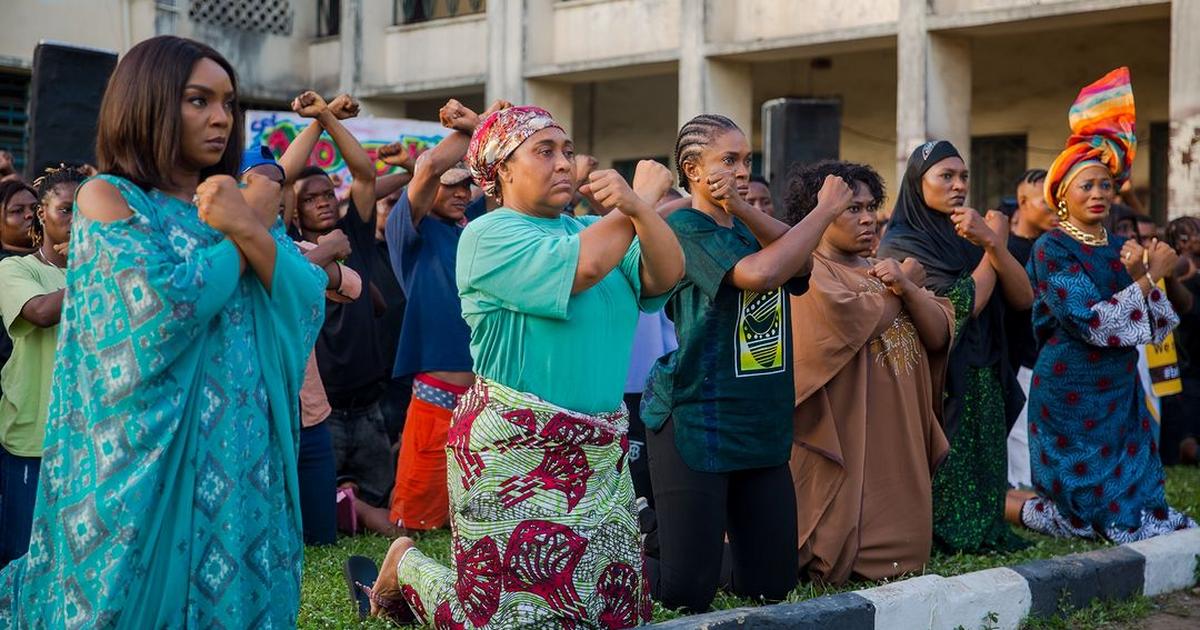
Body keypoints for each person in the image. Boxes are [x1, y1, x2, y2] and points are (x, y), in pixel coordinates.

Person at [0, 36, 326, 626]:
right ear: (147, 102)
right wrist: (243, 226)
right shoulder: (109, 198)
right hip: (149, 462)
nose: (221, 117)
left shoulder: (231, 198)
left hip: (243, 451)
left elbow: (304, 297)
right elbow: (166, 310)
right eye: (198, 100)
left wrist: (249, 225)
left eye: (228, 102)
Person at [363, 105, 684, 629]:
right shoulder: (489, 235)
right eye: (544, 151)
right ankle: (410, 567)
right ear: (502, 170)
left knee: (613, 610)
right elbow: (586, 266)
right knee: (509, 618)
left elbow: (664, 275)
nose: (564, 162)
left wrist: (640, 212)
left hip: (597, 452)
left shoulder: (592, 227)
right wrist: (640, 200)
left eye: (567, 150)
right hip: (514, 454)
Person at [640, 114, 852, 613]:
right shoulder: (682, 228)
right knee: (686, 592)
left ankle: (692, 542)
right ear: (692, 170)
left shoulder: (745, 226)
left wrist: (741, 207)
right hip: (696, 416)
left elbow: (800, 264)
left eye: (747, 160)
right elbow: (761, 274)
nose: (742, 170)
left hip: (759, 421)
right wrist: (822, 212)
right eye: (728, 160)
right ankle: (632, 550)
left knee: (771, 585)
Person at [1015, 68, 1197, 542]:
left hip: (1119, 383)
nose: (1098, 194)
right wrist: (1150, 275)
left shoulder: (1119, 244)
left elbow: (1156, 327)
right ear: (1060, 196)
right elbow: (1090, 321)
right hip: (1070, 384)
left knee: (1135, 488)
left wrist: (1142, 275)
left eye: (1105, 186)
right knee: (1087, 502)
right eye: (1086, 186)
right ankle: (1035, 511)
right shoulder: (1050, 249)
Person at [783, 160, 952, 585]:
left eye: (871, 206)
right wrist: (898, 285)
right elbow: (850, 321)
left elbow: (937, 334)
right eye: (852, 209)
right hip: (850, 424)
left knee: (908, 541)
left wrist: (909, 287)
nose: (868, 218)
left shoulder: (886, 269)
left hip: (901, 423)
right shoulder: (811, 273)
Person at [876, 139, 1033, 553]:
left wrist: (995, 244)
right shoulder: (903, 243)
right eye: (945, 176)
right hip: (939, 375)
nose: (958, 185)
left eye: (963, 176)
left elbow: (1023, 298)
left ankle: (985, 527)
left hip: (986, 367)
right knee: (948, 460)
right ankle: (945, 532)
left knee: (984, 456)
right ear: (917, 183)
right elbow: (962, 305)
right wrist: (991, 246)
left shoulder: (970, 236)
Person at [383, 98, 500, 532]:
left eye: (465, 186)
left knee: (477, 522)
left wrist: (488, 124)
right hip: (436, 398)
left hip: (486, 399)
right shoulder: (409, 229)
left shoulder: (472, 229)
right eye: (448, 186)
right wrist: (477, 125)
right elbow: (431, 165)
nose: (459, 192)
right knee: (415, 521)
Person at [281, 90, 393, 508]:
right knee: (321, 503)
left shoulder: (353, 237)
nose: (322, 202)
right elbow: (284, 177)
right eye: (309, 198)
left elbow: (364, 174)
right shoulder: (286, 250)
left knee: (381, 499)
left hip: (368, 402)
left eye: (327, 194)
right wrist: (317, 121)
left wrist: (328, 118)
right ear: (294, 209)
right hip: (319, 407)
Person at [0, 166, 84, 568]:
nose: (76, 221)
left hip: (87, 440)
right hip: (33, 439)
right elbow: (40, 312)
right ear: (41, 215)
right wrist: (92, 268)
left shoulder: (100, 272)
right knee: (22, 561)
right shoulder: (15, 270)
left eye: (86, 212)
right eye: (67, 210)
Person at [1006, 168, 1055, 489]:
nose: (1054, 212)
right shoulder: (1006, 250)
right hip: (1016, 362)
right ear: (1023, 202)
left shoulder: (1054, 250)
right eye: (1045, 204)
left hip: (1047, 360)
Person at [1163, 216, 1200, 465]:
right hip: (1185, 370)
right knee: (1186, 441)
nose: (1194, 240)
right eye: (1186, 236)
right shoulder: (1179, 267)